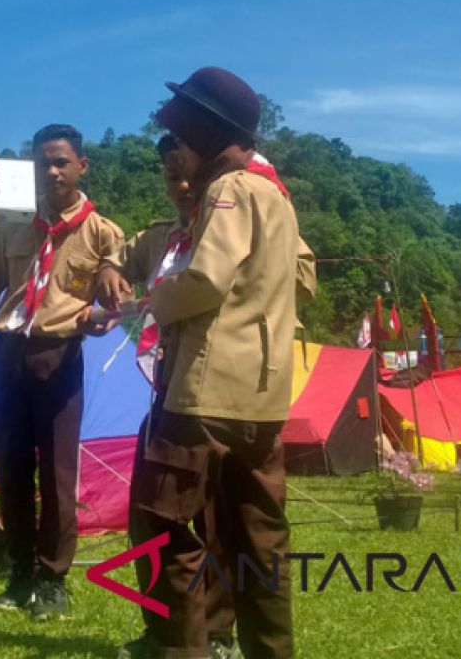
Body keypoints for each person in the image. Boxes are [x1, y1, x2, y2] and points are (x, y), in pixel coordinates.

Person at [118, 67, 316, 659]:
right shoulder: (276, 194)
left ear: (208, 131)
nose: (176, 146)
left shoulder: (229, 189)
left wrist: (147, 302)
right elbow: (301, 277)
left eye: (183, 132)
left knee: (169, 531)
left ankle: (181, 650)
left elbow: (205, 277)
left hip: (204, 395)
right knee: (259, 539)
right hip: (263, 395)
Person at [0, 124, 124, 621]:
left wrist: (104, 313)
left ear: (82, 166)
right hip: (9, 351)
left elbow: (111, 293)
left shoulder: (102, 232)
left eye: (61, 161)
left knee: (58, 472)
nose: (51, 171)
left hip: (59, 355)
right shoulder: (12, 224)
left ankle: (53, 578)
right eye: (42, 162)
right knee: (10, 468)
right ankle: (19, 570)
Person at [96, 135, 239, 659]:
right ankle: (165, 631)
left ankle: (215, 635)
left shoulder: (233, 226)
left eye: (189, 176)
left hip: (221, 389)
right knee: (152, 515)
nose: (181, 188)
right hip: (167, 390)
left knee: (215, 517)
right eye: (170, 177)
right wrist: (111, 269)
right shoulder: (163, 239)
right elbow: (118, 258)